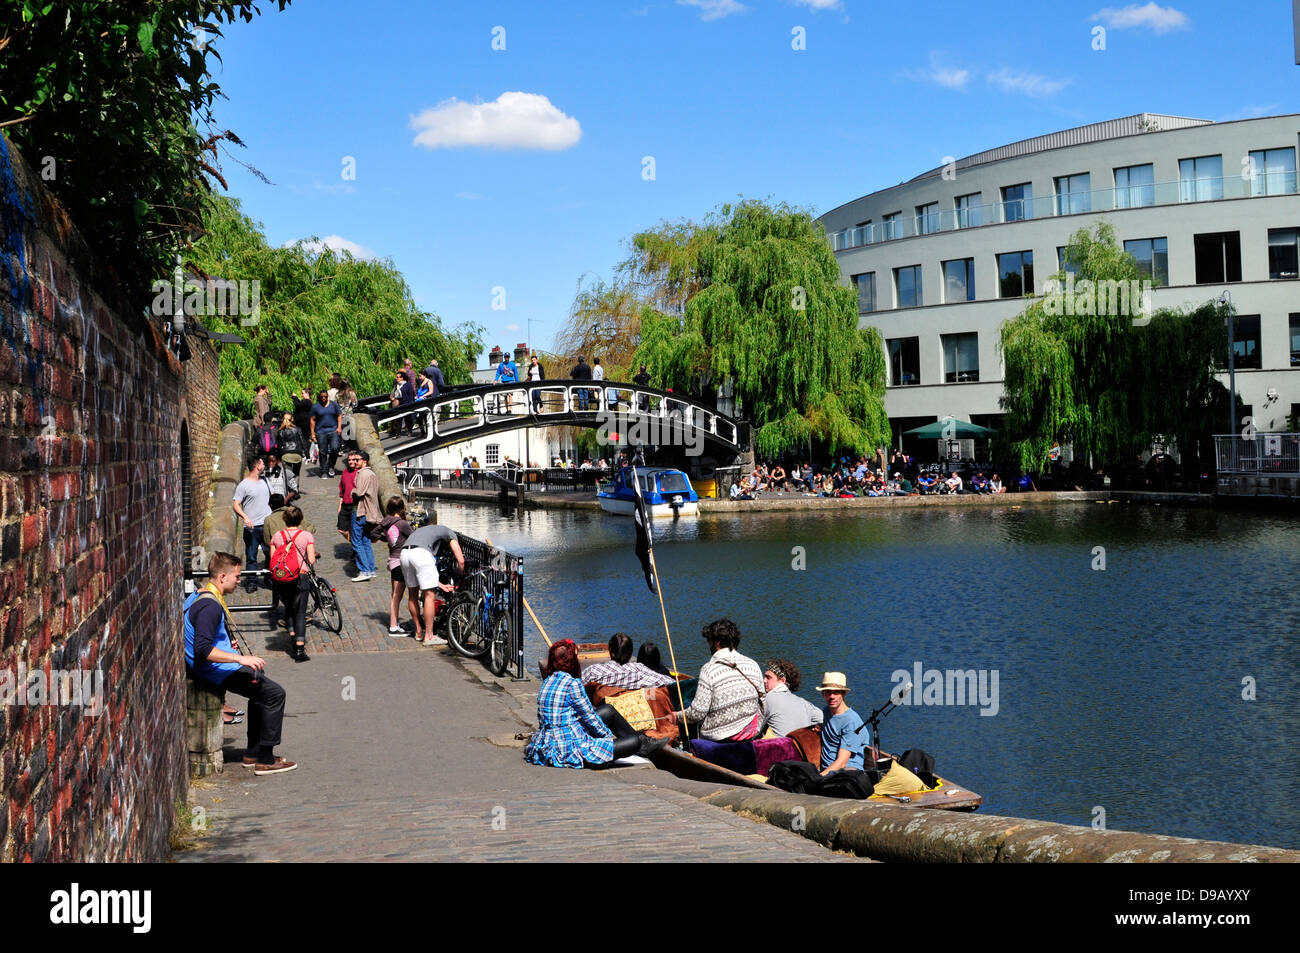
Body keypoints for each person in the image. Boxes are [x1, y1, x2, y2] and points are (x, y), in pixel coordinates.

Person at [184, 552, 297, 774]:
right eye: (236, 576)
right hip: (212, 670)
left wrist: (233, 650)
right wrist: (240, 658)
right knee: (275, 694)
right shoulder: (210, 607)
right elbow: (203, 649)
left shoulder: (201, 594)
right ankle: (265, 759)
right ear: (222, 576)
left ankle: (253, 753)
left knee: (259, 684)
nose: (239, 581)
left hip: (213, 667)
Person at [525, 640, 669, 769]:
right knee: (633, 741)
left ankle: (644, 742)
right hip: (567, 748)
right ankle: (641, 744)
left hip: (548, 740)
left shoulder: (547, 681)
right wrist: (607, 739)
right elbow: (590, 718)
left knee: (608, 710)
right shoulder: (573, 684)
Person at [674, 618, 764, 742]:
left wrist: (676, 716)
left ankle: (688, 748)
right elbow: (763, 702)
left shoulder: (709, 669)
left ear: (717, 642)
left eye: (709, 641)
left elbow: (697, 714)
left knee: (683, 706)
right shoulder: (753, 665)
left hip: (720, 738)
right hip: (750, 733)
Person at [399, 522, 466, 646]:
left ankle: (418, 631)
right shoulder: (449, 532)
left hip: (404, 553)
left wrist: (440, 585)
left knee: (412, 594)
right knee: (430, 596)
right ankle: (429, 636)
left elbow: (425, 576)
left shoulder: (423, 530)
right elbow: (461, 561)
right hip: (422, 554)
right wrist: (462, 574)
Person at [268, 505, 316, 663]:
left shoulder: (276, 536)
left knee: (288, 607)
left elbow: (273, 558)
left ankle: (292, 635)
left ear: (284, 519)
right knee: (300, 612)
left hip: (283, 577)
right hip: (300, 576)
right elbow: (311, 560)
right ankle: (300, 650)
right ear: (301, 519)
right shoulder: (306, 535)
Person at [370, 495, 418, 637]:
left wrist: (388, 540)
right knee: (399, 596)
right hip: (401, 561)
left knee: (395, 595)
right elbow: (414, 537)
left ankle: (394, 623)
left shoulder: (386, 522)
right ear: (402, 508)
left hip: (392, 561)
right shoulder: (402, 524)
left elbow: (373, 532)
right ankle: (393, 627)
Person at [816, 672, 869, 776]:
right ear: (823, 694)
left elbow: (842, 763)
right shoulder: (826, 711)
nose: (831, 696)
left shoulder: (851, 721)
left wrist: (819, 777)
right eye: (827, 692)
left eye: (836, 692)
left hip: (848, 772)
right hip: (827, 770)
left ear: (843, 693)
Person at [232, 457, 272, 594]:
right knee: (251, 556)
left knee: (270, 554)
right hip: (252, 527)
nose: (264, 464)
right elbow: (236, 504)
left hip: (267, 525)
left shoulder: (265, 481)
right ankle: (251, 582)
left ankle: (268, 577)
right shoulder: (244, 485)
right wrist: (245, 517)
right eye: (262, 463)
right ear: (256, 466)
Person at [582, 633, 675, 691]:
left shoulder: (592, 671)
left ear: (610, 651)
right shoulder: (639, 670)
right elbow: (670, 683)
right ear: (631, 654)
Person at [761, 659, 824, 737]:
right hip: (801, 747)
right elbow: (822, 718)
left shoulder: (768, 698)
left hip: (781, 747)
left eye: (768, 677)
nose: (764, 680)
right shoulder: (804, 703)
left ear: (782, 680)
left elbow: (755, 730)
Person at [351, 450, 380, 582]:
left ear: (364, 461)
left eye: (357, 460)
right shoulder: (373, 474)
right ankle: (371, 569)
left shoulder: (363, 474)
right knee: (366, 541)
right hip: (370, 512)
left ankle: (364, 570)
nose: (355, 462)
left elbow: (359, 492)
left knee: (357, 541)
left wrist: (352, 491)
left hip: (360, 511)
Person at [309, 389, 342, 478]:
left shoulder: (334, 405)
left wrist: (339, 427)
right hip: (321, 432)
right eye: (322, 397)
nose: (323, 398)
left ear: (328, 396)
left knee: (335, 448)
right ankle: (323, 470)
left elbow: (339, 415)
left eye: (325, 397)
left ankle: (331, 466)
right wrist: (312, 433)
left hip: (333, 430)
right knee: (323, 452)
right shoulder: (316, 407)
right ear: (319, 397)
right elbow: (312, 420)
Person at [276, 413, 307, 501]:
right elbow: (302, 441)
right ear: (292, 419)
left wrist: (278, 456)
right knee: (296, 473)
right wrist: (307, 454)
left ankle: (290, 491)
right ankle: (296, 492)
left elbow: (279, 445)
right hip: (297, 453)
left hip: (285, 454)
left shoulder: (280, 431)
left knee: (288, 474)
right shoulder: (297, 429)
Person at [337, 450, 359, 549]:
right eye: (349, 460)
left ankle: (356, 548)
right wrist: (340, 505)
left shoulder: (359, 473)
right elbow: (342, 489)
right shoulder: (345, 472)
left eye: (353, 460)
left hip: (355, 505)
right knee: (341, 529)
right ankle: (354, 544)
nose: (351, 462)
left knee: (355, 530)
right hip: (345, 505)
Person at [337, 379, 358, 450]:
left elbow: (336, 406)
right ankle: (353, 448)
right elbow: (355, 405)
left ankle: (344, 447)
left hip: (341, 416)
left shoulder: (337, 394)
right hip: (350, 415)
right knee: (352, 434)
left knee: (344, 434)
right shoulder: (352, 393)